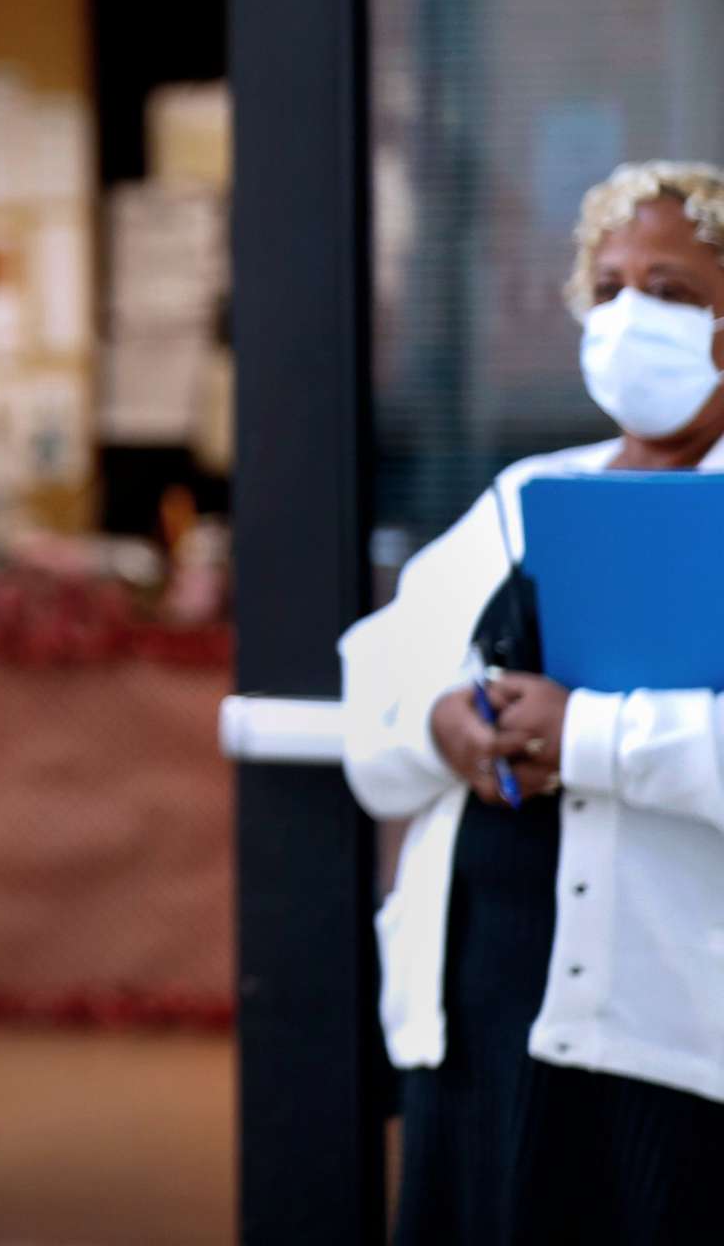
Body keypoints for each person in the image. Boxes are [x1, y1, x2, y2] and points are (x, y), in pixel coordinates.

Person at [344, 160, 724, 1245]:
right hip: (480, 1028)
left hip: (675, 1054)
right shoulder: (525, 498)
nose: (629, 317)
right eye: (609, 290)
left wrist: (589, 735)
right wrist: (441, 727)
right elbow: (377, 687)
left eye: (674, 291)